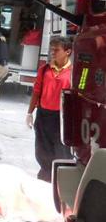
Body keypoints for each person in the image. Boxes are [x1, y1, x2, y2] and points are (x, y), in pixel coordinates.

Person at [26, 36, 73, 182]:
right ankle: (45, 177)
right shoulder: (45, 69)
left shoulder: (74, 72)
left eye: (57, 50)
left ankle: (60, 181)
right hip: (44, 114)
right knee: (42, 149)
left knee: (61, 150)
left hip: (62, 117)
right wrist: (29, 112)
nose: (53, 53)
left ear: (68, 52)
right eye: (51, 49)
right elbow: (36, 91)